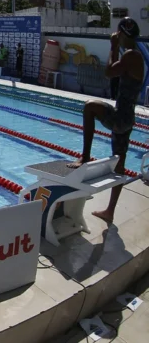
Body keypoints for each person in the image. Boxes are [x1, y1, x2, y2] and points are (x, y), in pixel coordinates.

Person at [68, 18, 144, 225]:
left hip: (120, 117)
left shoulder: (130, 55)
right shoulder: (135, 57)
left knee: (89, 107)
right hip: (127, 118)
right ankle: (110, 211)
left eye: (117, 34)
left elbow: (109, 71)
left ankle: (84, 157)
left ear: (122, 34)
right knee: (120, 165)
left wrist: (113, 46)